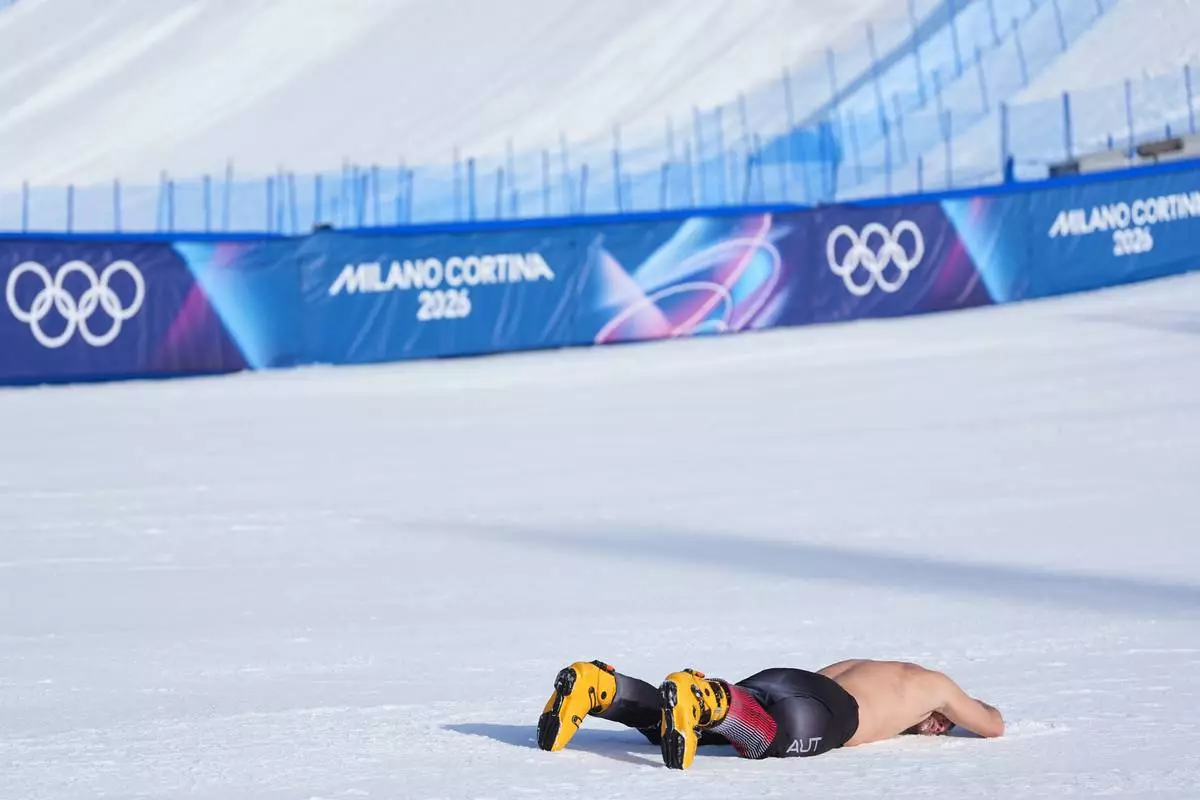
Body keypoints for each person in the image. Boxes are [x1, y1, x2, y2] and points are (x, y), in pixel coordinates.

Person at [537, 658, 1004, 770]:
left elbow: (810, 686)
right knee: (765, 738)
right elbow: (993, 725)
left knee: (687, 725)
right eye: (943, 722)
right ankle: (710, 699)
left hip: (785, 680)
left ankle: (601, 687)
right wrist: (974, 708)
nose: (940, 729)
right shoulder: (935, 686)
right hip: (828, 713)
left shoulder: (864, 667)